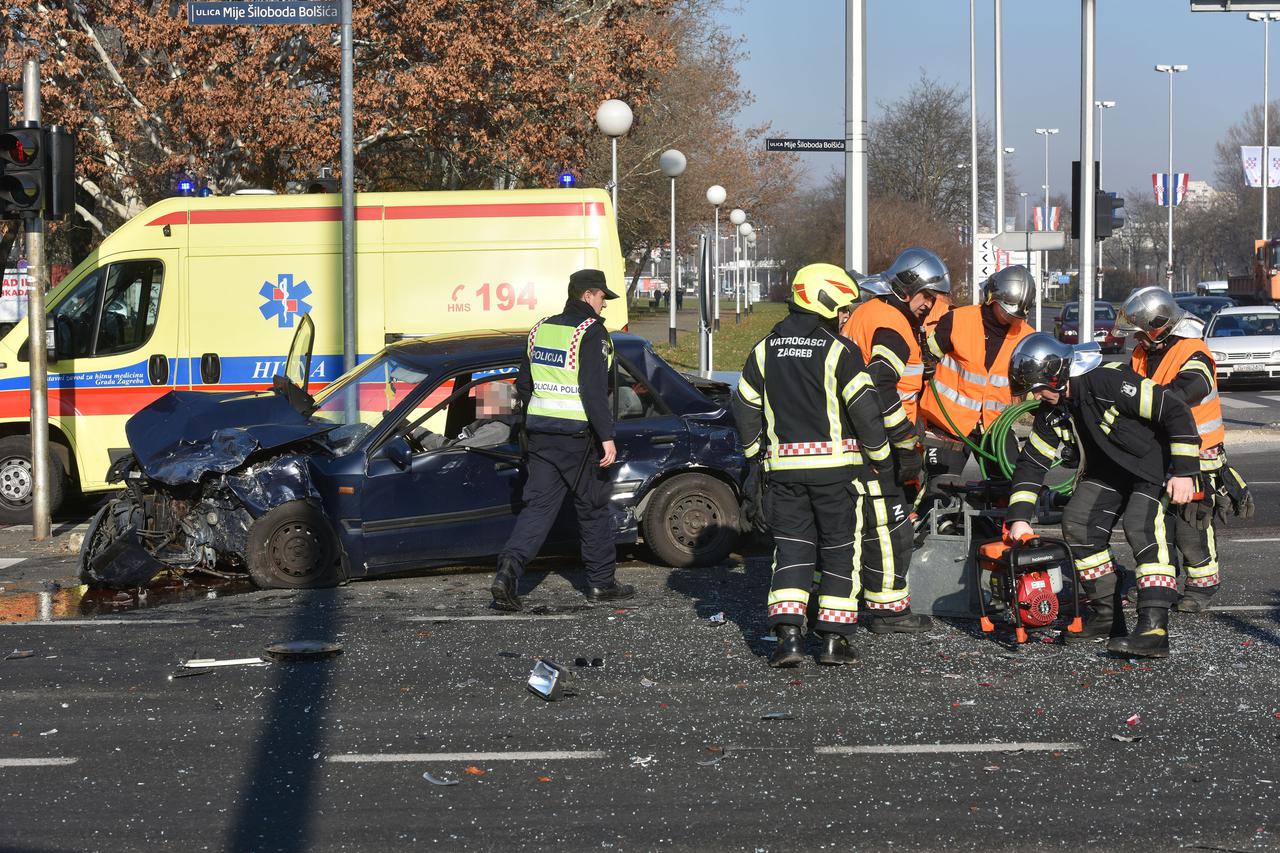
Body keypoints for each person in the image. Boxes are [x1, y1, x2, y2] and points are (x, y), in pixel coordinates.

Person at [1003, 333, 1201, 658]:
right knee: (1079, 523)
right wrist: (1020, 519)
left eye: (1039, 387)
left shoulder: (1107, 381)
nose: (1036, 395)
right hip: (1111, 472)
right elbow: (1031, 465)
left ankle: (1154, 629)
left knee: (1142, 526)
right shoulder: (1052, 412)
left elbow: (1175, 410)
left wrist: (1184, 471)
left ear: (1058, 372)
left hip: (1154, 467)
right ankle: (1108, 615)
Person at [733, 264, 891, 667]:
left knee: (791, 553)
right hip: (837, 476)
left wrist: (755, 458)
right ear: (825, 302)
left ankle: (788, 639)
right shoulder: (840, 350)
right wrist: (881, 459)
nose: (844, 317)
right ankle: (835, 642)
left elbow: (745, 405)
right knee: (840, 551)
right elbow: (866, 412)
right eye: (842, 309)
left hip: (782, 475)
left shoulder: (764, 349)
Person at [490, 269, 633, 610]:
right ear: (588, 295)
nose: (604, 306)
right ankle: (601, 583)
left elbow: (523, 384)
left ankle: (508, 572)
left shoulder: (541, 328)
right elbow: (594, 391)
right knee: (593, 507)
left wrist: (530, 421)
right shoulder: (591, 332)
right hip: (578, 439)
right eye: (602, 298)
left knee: (538, 508)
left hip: (540, 434)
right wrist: (607, 436)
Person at [1116, 287, 1254, 613]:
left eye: (1139, 330)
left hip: (1197, 457)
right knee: (1151, 521)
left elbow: (1192, 386)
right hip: (1155, 452)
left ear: (1158, 327)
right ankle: (1157, 584)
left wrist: (1147, 401)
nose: (1135, 336)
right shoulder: (1140, 353)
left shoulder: (1194, 351)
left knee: (1191, 525)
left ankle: (1203, 586)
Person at [842, 247, 951, 633]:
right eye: (927, 297)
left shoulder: (870, 312)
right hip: (879, 443)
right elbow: (881, 385)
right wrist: (903, 440)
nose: (929, 306)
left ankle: (831, 603)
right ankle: (890, 611)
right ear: (908, 288)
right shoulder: (892, 325)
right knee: (891, 528)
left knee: (848, 528)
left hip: (852, 437)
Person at [919, 266, 1035, 481]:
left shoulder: (1027, 338)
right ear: (992, 298)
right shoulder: (956, 321)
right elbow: (924, 363)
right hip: (947, 423)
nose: (1011, 320)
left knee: (1012, 485)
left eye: (1017, 315)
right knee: (940, 487)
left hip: (996, 428)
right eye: (1007, 312)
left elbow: (1031, 388)